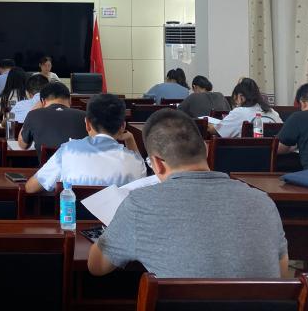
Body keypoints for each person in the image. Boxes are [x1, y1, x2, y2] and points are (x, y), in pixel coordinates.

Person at [88, 108, 288, 279]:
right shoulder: (263, 202)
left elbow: (96, 266)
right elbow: (281, 271)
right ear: (206, 150)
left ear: (157, 164)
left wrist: (115, 228)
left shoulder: (140, 205)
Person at [25, 94, 146, 193]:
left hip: (74, 216)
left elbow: (30, 188)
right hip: (117, 217)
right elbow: (141, 183)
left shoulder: (68, 151)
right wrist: (130, 138)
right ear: (122, 126)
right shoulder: (136, 162)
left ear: (87, 124)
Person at [18, 82, 86, 153]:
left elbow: (22, 145)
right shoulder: (85, 116)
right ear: (70, 100)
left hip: (47, 160)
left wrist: (34, 109)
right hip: (77, 160)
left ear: (43, 102)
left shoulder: (33, 115)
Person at [210, 78, 281, 138]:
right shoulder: (273, 112)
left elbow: (216, 131)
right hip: (272, 150)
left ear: (241, 97)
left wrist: (208, 125)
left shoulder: (239, 112)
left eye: (235, 101)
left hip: (246, 150)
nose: (236, 105)